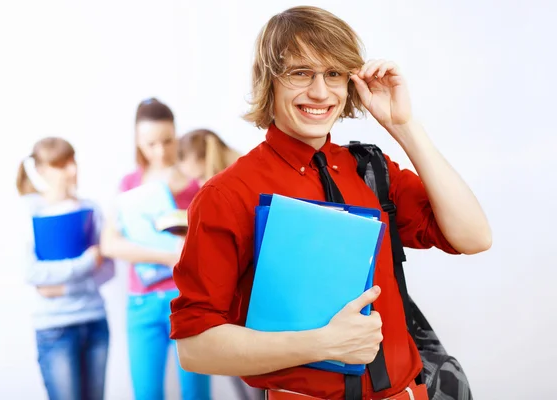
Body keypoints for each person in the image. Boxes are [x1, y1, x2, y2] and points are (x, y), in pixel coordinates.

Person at [169, 6, 491, 400]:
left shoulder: (372, 169)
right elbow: (194, 348)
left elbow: (474, 237)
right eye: (301, 73)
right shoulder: (227, 194)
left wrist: (403, 126)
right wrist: (322, 344)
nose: (321, 92)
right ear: (269, 80)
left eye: (334, 74)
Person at [100, 98, 211, 400]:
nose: (160, 151)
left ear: (177, 135)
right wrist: (167, 256)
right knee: (146, 394)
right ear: (137, 142)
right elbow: (109, 244)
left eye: (167, 141)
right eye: (151, 144)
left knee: (196, 395)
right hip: (142, 304)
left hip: (187, 301)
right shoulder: (128, 184)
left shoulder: (196, 184)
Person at [16, 137, 114, 400]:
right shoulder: (29, 212)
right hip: (55, 329)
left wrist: (61, 285)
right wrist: (85, 264)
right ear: (42, 170)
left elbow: (108, 269)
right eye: (62, 165)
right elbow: (32, 274)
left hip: (95, 322)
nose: (72, 170)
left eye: (73, 162)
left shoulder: (91, 208)